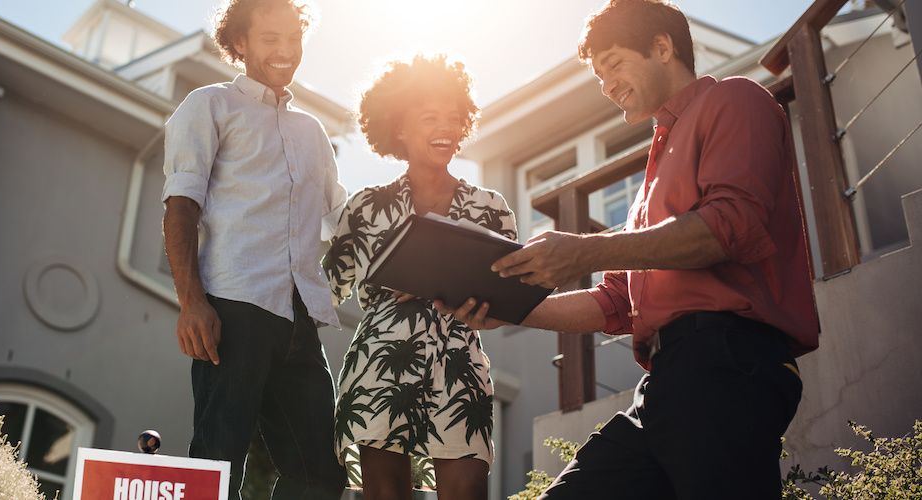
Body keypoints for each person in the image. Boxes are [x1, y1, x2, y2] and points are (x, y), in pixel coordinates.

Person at [437, 1, 819, 498]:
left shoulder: (736, 100)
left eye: (613, 63)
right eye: (598, 74)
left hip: (729, 365)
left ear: (662, 47)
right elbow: (617, 302)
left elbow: (728, 226)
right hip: (667, 384)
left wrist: (584, 251)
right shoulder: (653, 172)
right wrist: (507, 310)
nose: (606, 84)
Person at [159, 0, 347, 498]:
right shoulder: (209, 105)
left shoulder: (312, 133)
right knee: (218, 462)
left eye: (293, 38)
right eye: (270, 39)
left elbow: (344, 219)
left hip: (300, 317)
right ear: (239, 43)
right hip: (233, 306)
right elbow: (181, 206)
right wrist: (191, 303)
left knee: (321, 476)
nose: (286, 50)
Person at [324, 54, 516, 500]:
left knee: (467, 487)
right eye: (429, 117)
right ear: (399, 127)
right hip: (380, 363)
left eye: (453, 117)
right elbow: (326, 289)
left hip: (460, 361)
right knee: (385, 492)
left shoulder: (491, 208)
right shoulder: (366, 206)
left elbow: (508, 300)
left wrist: (447, 282)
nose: (444, 128)